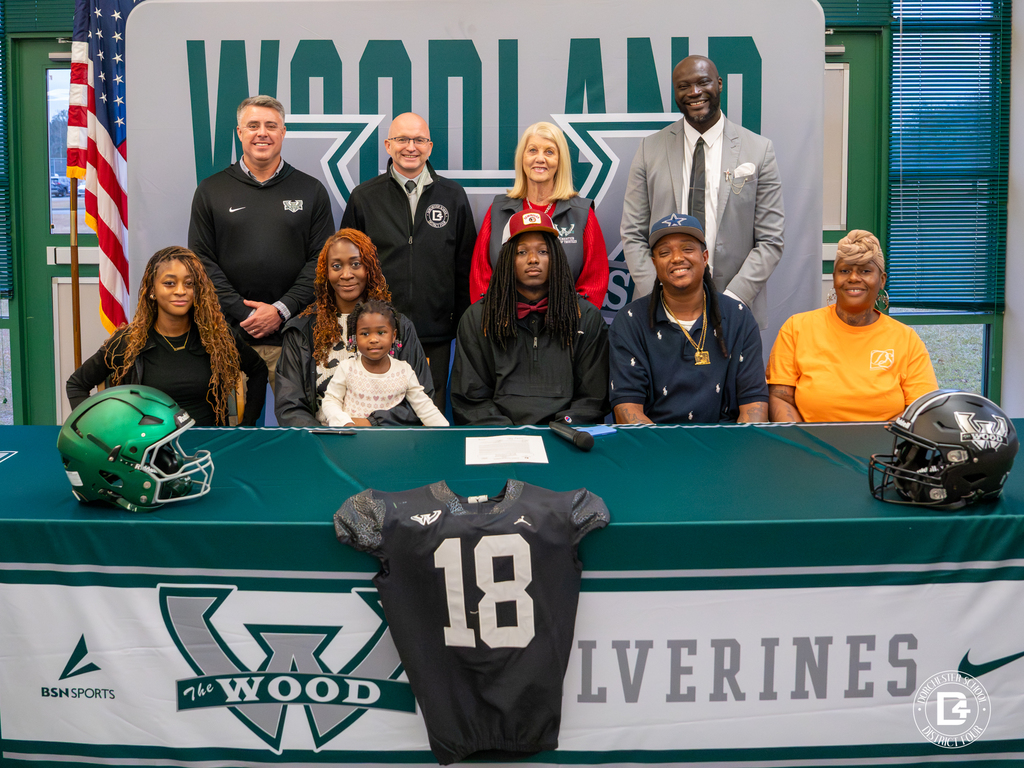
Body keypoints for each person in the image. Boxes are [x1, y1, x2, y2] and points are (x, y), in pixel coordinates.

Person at [621, 55, 784, 329]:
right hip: (660, 311)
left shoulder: (759, 150)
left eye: (703, 83)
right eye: (683, 86)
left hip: (735, 310)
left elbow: (770, 240)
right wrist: (660, 294)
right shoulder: (650, 149)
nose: (694, 92)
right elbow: (633, 234)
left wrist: (734, 298)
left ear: (719, 84)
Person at [188, 95, 335, 388]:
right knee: (234, 429)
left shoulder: (311, 190)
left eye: (271, 125)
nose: (262, 133)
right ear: (240, 132)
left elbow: (322, 260)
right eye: (253, 125)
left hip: (295, 335)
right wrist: (247, 314)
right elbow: (201, 261)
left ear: (283, 132)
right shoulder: (211, 190)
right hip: (231, 337)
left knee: (299, 426)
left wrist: (281, 310)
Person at [340, 112, 476, 409]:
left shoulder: (453, 195)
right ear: (388, 145)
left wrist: (463, 324)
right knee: (376, 411)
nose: (410, 147)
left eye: (419, 140)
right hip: (376, 330)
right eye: (402, 139)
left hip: (435, 332)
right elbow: (348, 269)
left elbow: (466, 265)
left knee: (429, 410)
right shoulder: (364, 197)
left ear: (429, 146)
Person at [67, 246, 267, 426]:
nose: (181, 291)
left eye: (189, 284)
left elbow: (258, 369)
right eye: (170, 283)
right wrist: (98, 429)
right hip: (149, 450)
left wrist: (247, 423)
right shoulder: (128, 342)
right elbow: (76, 384)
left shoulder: (218, 337)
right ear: (152, 290)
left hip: (207, 446)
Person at [451, 210, 609, 425]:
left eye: (543, 251)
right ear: (507, 258)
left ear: (556, 257)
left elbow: (592, 400)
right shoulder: (478, 317)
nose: (533, 259)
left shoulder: (586, 317)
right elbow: (470, 399)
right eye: (522, 252)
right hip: (499, 438)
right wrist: (507, 435)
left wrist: (562, 429)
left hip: (564, 437)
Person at [608, 214, 767, 424]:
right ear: (655, 264)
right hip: (655, 447)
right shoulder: (629, 321)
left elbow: (754, 405)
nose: (676, 258)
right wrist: (665, 456)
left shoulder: (738, 317)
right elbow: (627, 409)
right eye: (665, 252)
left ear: (705, 257)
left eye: (687, 249)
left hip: (727, 446)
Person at [767, 230, 937, 422]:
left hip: (885, 447)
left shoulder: (906, 339)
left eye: (865, 271)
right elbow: (781, 397)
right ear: (834, 279)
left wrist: (878, 444)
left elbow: (921, 407)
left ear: (882, 280)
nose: (854, 278)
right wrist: (805, 445)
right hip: (811, 447)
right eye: (845, 271)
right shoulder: (797, 328)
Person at [275, 229, 434, 427]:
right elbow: (289, 407)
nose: (346, 274)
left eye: (356, 264)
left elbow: (421, 399)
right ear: (326, 272)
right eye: (336, 266)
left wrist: (371, 423)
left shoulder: (400, 326)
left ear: (370, 268)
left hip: (386, 441)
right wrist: (324, 438)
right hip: (321, 443)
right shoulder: (301, 330)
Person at [469, 122, 609, 309]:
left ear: (560, 161)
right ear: (522, 158)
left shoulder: (581, 213)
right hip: (505, 326)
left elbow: (595, 281)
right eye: (532, 150)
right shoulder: (499, 209)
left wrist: (573, 321)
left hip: (564, 326)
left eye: (549, 152)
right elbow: (480, 275)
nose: (540, 158)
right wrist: (491, 317)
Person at [321, 300, 448, 428]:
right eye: (365, 333)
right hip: (352, 439)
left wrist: (446, 432)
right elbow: (331, 400)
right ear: (355, 338)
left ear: (394, 336)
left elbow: (425, 407)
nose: (373, 339)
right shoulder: (347, 368)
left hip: (391, 443)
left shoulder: (404, 371)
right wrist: (345, 423)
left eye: (381, 333)